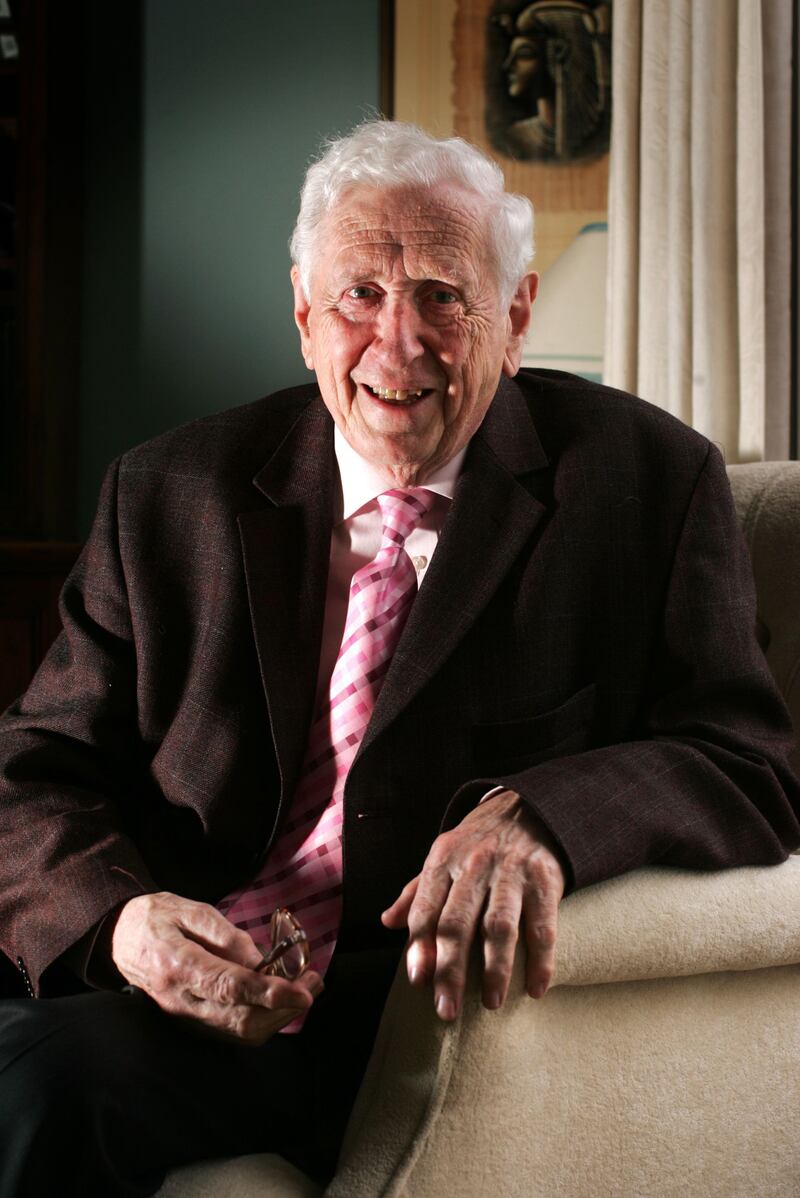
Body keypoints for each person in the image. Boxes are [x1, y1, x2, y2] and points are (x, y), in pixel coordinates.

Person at [0, 119, 797, 1196]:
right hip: (158, 972)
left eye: (441, 296)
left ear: (514, 318)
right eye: (358, 298)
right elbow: (32, 772)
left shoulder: (644, 484)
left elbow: (745, 760)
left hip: (381, 1018)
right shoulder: (167, 491)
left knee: (43, 1083)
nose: (398, 344)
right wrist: (122, 924)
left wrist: (538, 813)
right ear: (301, 315)